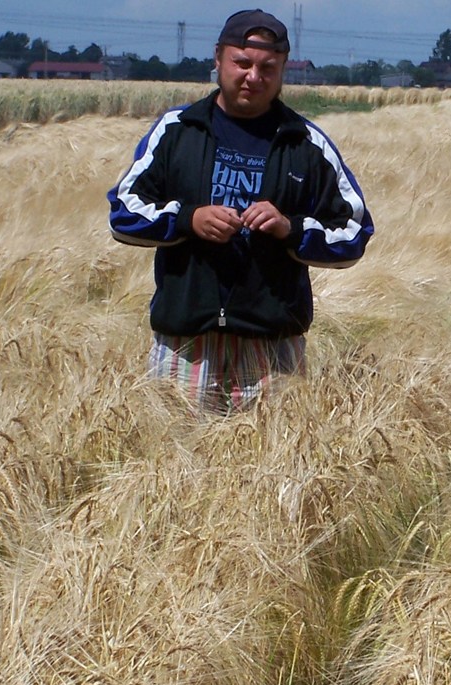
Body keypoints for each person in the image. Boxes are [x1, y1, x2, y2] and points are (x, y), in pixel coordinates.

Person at [108, 9, 373, 413]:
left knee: (276, 466)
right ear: (218, 59)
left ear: (283, 69)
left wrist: (290, 228)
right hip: (186, 341)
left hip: (272, 346)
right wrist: (188, 219)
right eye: (242, 63)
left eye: (268, 67)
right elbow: (123, 212)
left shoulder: (307, 144)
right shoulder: (177, 130)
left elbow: (354, 232)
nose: (254, 76)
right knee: (170, 464)